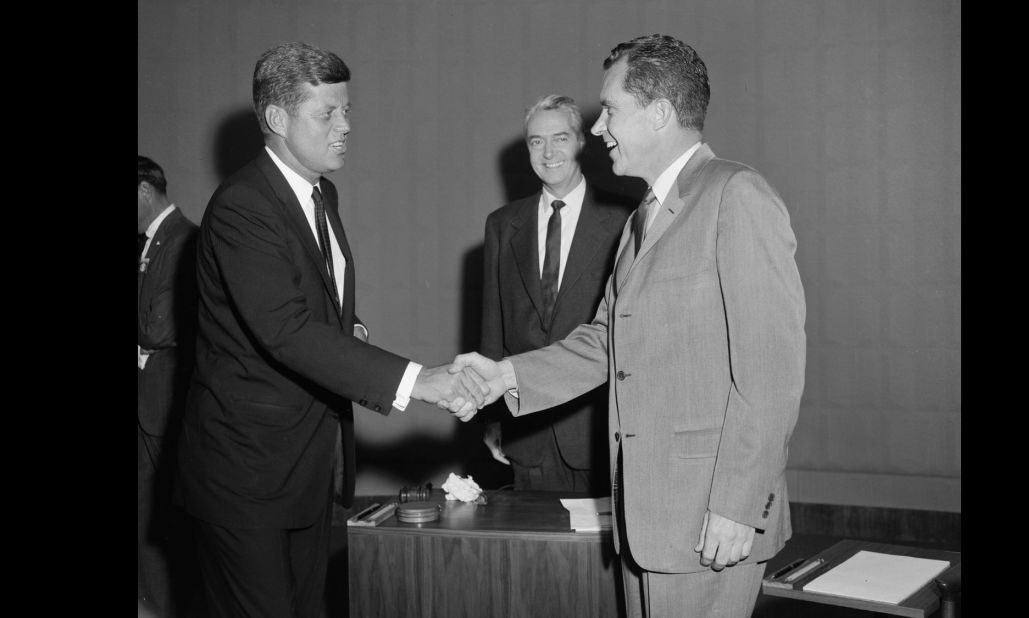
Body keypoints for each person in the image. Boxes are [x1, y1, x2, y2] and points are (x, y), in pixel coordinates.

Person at [452, 34, 806, 617]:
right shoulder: (643, 215)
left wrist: (740, 506)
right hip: (649, 520)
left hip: (709, 520)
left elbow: (771, 373)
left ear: (660, 113)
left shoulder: (735, 195)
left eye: (610, 109)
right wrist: (504, 375)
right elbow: (604, 339)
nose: (597, 129)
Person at [175, 42, 484, 618]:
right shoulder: (243, 205)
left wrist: (352, 333)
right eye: (328, 114)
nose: (346, 127)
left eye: (347, 111)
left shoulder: (320, 192)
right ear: (276, 119)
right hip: (248, 478)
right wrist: (422, 381)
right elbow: (286, 330)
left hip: (311, 469)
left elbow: (317, 304)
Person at [479, 94, 630, 494]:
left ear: (582, 141)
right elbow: (494, 326)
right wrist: (494, 415)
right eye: (536, 141)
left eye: (560, 138)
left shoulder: (625, 220)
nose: (548, 152)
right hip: (526, 432)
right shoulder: (502, 225)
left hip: (598, 430)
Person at [138, 155, 200, 617]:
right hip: (146, 401)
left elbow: (158, 330)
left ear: (143, 191)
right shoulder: (148, 244)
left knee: (164, 517)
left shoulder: (184, 239)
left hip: (163, 404)